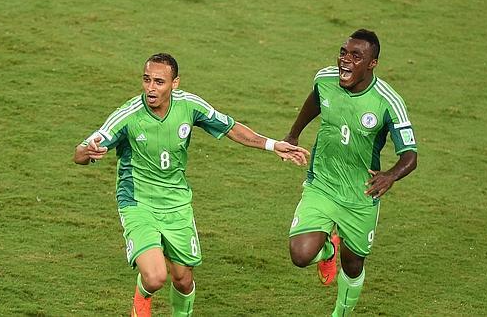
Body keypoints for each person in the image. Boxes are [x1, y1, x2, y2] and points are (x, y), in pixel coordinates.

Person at [73, 53, 310, 317]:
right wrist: (87, 152)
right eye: (147, 80)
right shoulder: (128, 116)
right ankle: (141, 301)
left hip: (177, 204)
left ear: (174, 84)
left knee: (183, 281)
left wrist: (272, 144)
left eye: (159, 82)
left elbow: (230, 127)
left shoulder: (189, 105)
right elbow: (81, 152)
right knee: (154, 277)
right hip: (139, 203)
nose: (151, 88)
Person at [285, 29, 418, 316]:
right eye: (344, 52)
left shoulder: (388, 102)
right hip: (322, 183)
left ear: (372, 64)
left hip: (361, 194)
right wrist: (293, 134)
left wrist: (391, 175)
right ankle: (327, 251)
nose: (345, 60)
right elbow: (315, 101)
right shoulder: (325, 79)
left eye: (356, 56)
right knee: (300, 254)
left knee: (353, 264)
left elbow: (410, 155)